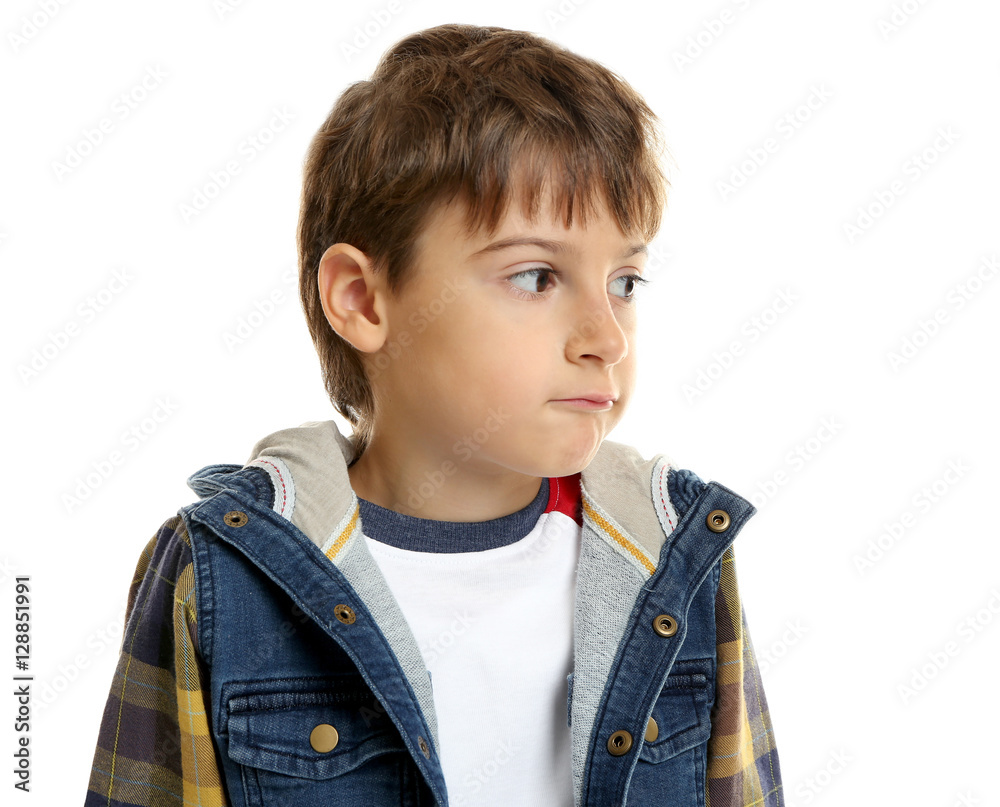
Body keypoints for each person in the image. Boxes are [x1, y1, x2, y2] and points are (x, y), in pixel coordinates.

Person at [84, 23, 782, 807]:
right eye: (535, 276)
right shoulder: (218, 575)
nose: (605, 337)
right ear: (364, 299)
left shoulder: (679, 557)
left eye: (625, 281)